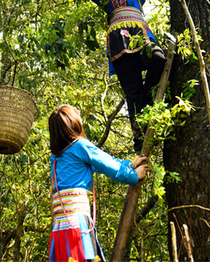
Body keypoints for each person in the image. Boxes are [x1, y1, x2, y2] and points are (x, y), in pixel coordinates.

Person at [87, 0, 167, 152]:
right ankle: (139, 137)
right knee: (133, 94)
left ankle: (149, 100)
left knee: (158, 59)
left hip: (140, 37)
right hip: (118, 44)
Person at [48, 104, 148, 262]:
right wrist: (134, 176)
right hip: (77, 222)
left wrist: (129, 165)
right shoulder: (80, 146)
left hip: (60, 227)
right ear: (73, 123)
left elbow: (102, 163)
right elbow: (110, 166)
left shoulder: (56, 156)